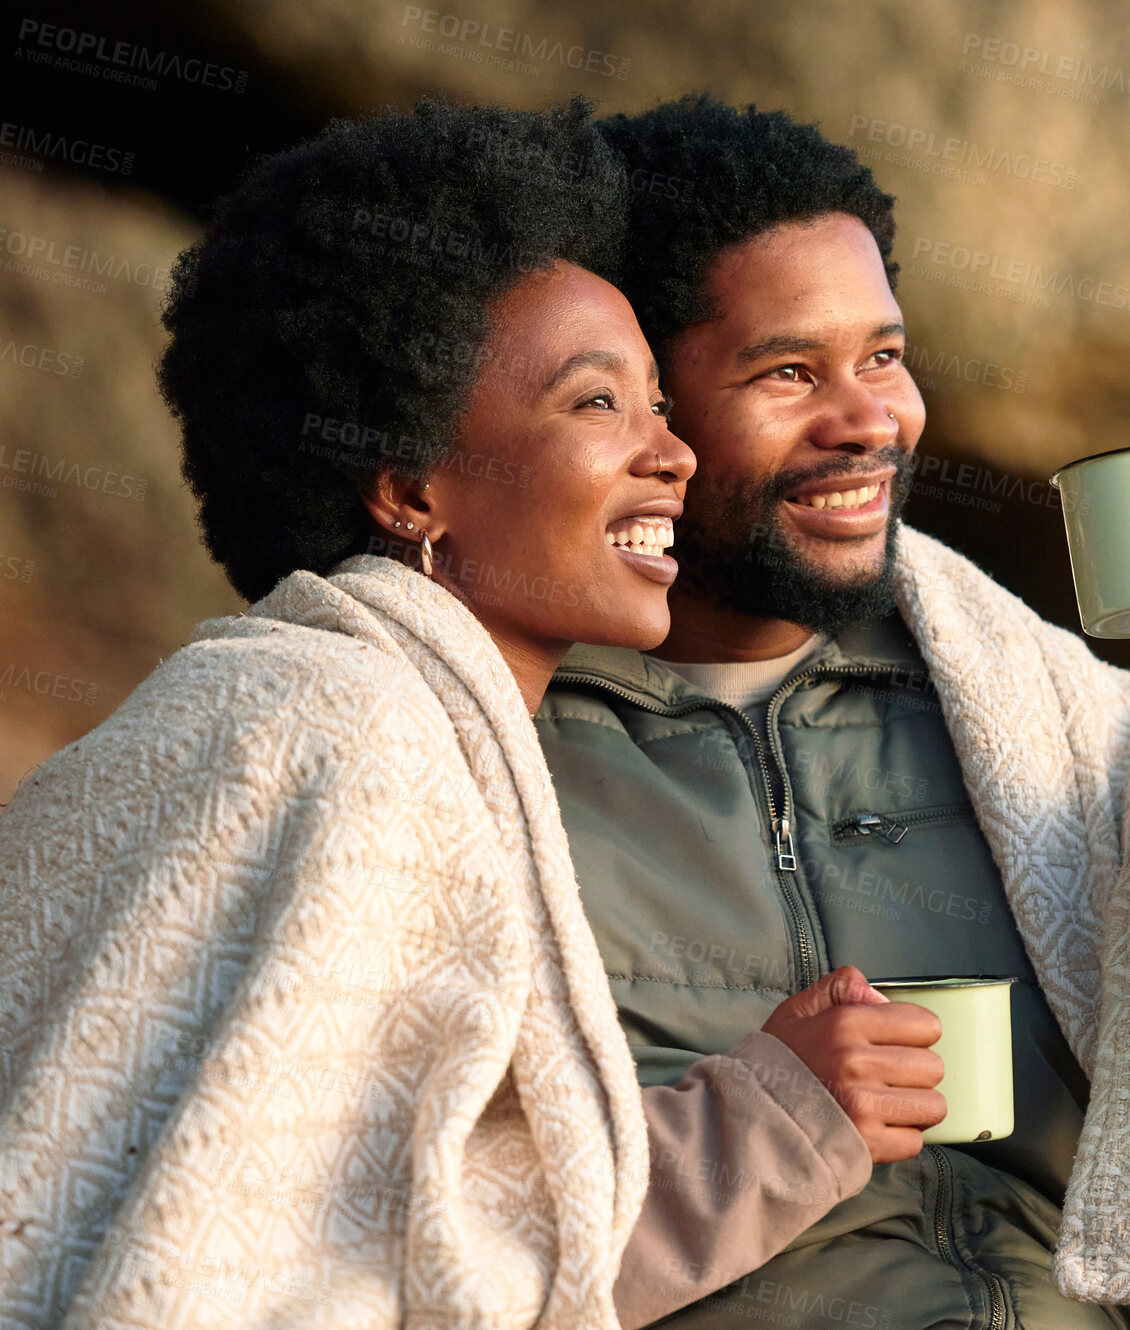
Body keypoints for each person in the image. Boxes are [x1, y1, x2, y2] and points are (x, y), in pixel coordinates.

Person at [534, 95, 1130, 1329]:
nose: (871, 419)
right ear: (644, 409)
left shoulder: (1038, 716)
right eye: (787, 372)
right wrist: (764, 1115)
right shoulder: (501, 759)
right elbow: (429, 1232)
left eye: (882, 356)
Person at [0, 98, 722, 1329]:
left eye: (658, 400)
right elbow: (210, 1247)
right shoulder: (349, 740)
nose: (674, 453)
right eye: (598, 402)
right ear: (408, 488)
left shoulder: (299, 706)